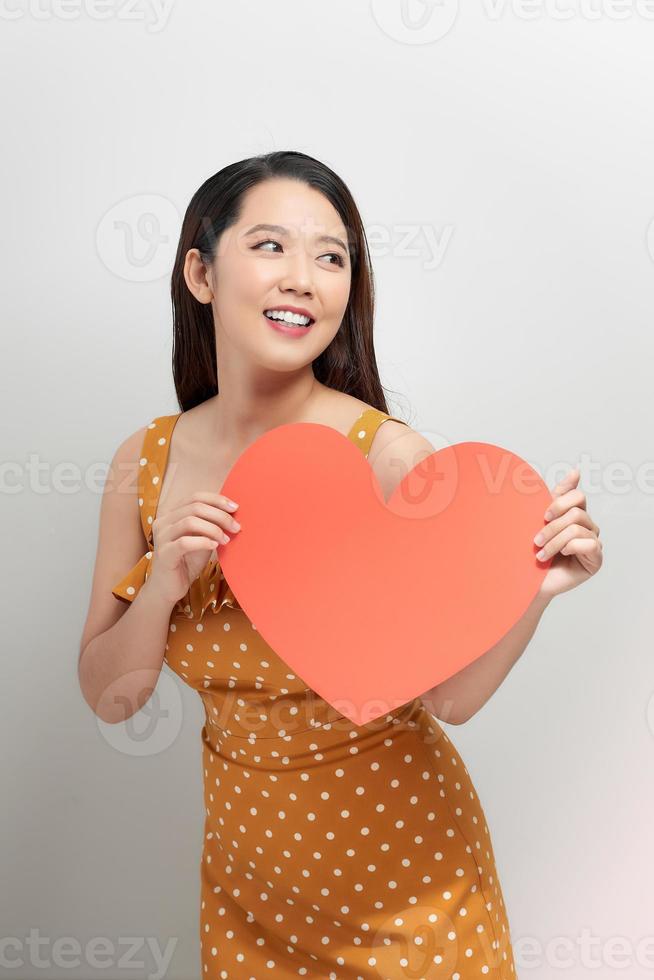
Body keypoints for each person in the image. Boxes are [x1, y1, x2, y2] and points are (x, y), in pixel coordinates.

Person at [78, 150, 603, 979]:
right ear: (200, 273)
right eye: (271, 247)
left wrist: (536, 590)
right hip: (248, 889)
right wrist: (162, 591)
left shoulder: (388, 458)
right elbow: (112, 697)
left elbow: (447, 698)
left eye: (331, 257)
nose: (304, 279)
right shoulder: (146, 460)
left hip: (410, 890)